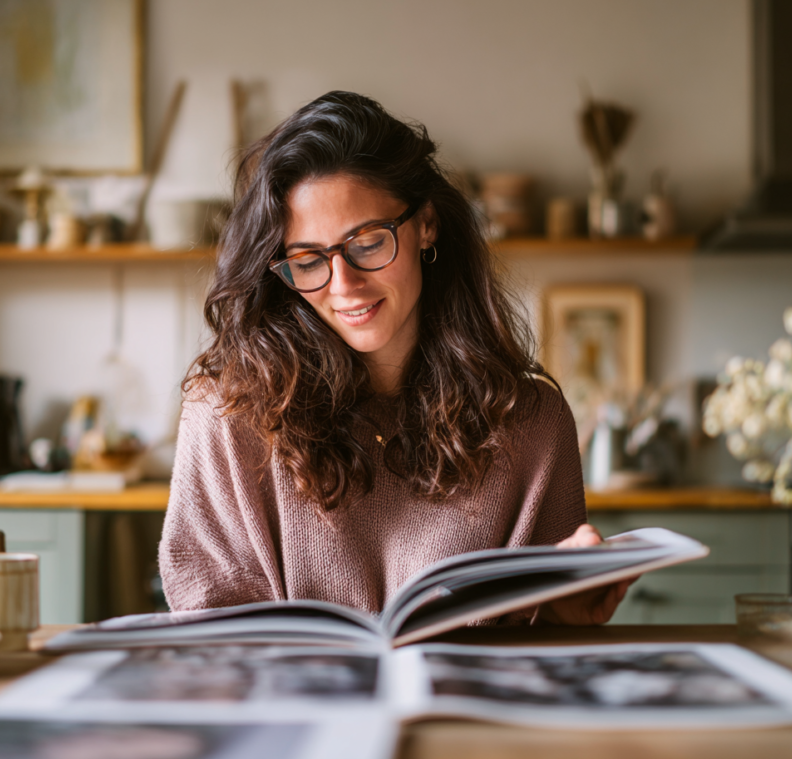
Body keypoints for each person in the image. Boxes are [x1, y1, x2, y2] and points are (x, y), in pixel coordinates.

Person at [159, 91, 630, 625]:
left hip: (466, 708)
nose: (345, 286)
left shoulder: (532, 422)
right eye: (308, 259)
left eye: (367, 242)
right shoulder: (227, 413)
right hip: (291, 707)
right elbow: (211, 635)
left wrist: (567, 614)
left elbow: (548, 648)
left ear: (425, 224)